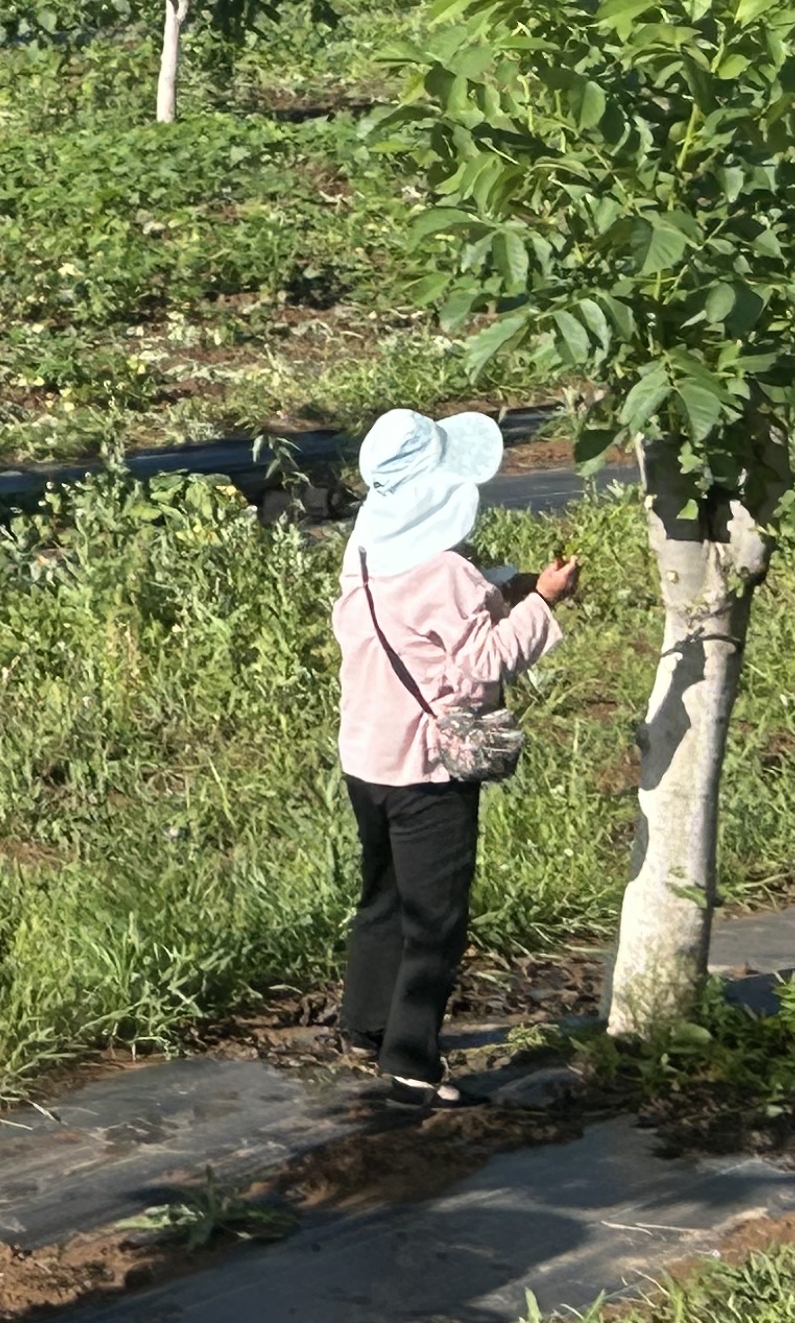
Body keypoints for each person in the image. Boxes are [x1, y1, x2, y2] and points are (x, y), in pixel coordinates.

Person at [334, 409, 572, 1106]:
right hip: (427, 769)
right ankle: (411, 1062)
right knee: (434, 916)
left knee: (383, 896)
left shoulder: (367, 556)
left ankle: (364, 1025)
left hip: (366, 758)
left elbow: (419, 626)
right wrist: (545, 603)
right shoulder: (446, 574)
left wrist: (506, 588)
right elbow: (480, 664)